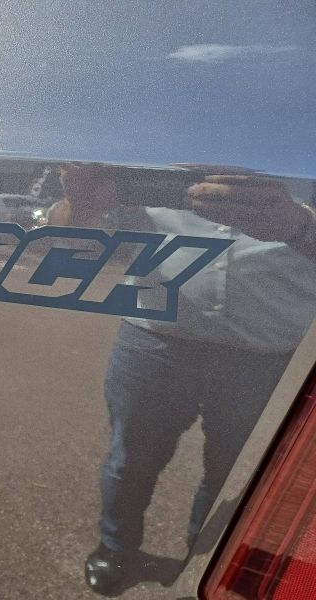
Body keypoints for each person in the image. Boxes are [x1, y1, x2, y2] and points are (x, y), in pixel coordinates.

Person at [52, 165, 316, 596]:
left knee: (239, 474)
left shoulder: (296, 152)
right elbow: (73, 248)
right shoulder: (156, 156)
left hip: (269, 352)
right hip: (154, 338)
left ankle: (209, 556)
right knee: (129, 459)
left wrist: (300, 227)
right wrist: (80, 205)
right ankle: (116, 548)